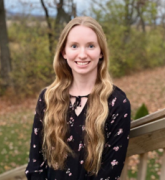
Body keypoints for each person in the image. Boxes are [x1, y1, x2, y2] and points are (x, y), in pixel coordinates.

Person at [25, 16, 131, 180]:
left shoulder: (116, 102)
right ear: (64, 52)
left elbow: (110, 172)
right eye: (74, 46)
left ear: (101, 52)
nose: (82, 54)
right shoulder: (47, 98)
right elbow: (35, 163)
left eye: (90, 46)